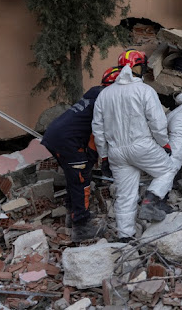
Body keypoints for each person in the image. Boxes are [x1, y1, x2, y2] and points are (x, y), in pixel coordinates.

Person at [92, 49, 177, 242]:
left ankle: (125, 237)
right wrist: (164, 143)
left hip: (116, 152)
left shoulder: (105, 95)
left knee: (125, 195)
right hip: (142, 146)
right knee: (167, 170)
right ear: (137, 66)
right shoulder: (144, 90)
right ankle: (151, 201)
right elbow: (157, 122)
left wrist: (104, 156)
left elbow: (98, 130)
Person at [41, 66, 120, 242]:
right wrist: (95, 161)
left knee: (74, 177)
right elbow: (95, 136)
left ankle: (72, 214)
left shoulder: (95, 94)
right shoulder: (106, 103)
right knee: (81, 179)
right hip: (67, 140)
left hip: (55, 135)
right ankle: (81, 227)